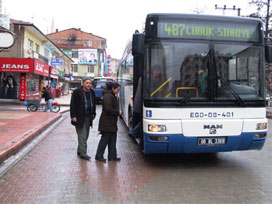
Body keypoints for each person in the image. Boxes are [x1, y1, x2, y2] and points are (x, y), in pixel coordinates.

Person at [70, 77, 96, 161]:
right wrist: (73, 116)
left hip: (88, 117)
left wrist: (94, 113)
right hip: (79, 117)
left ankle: (79, 150)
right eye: (87, 83)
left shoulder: (92, 92)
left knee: (86, 135)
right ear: (83, 83)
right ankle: (83, 153)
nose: (89, 85)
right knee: (82, 135)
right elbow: (73, 104)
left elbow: (94, 103)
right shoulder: (77, 92)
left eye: (90, 83)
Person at [95, 82, 122, 163]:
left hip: (111, 122)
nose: (118, 91)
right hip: (107, 123)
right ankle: (99, 156)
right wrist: (118, 112)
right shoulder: (108, 96)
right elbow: (108, 108)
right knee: (105, 140)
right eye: (117, 89)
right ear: (113, 88)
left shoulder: (111, 95)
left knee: (112, 140)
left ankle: (112, 156)